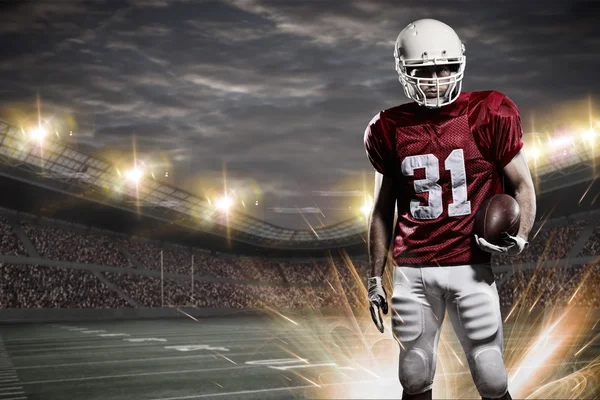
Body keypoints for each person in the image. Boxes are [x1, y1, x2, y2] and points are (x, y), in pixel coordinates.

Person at [363, 18, 536, 400]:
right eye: (424, 71)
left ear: (459, 65)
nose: (436, 78)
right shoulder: (388, 127)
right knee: (413, 372)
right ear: (405, 72)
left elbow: (522, 184)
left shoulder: (489, 112)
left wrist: (520, 237)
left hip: (469, 264)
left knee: (491, 375)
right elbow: (380, 210)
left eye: (444, 68)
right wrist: (375, 277)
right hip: (413, 269)